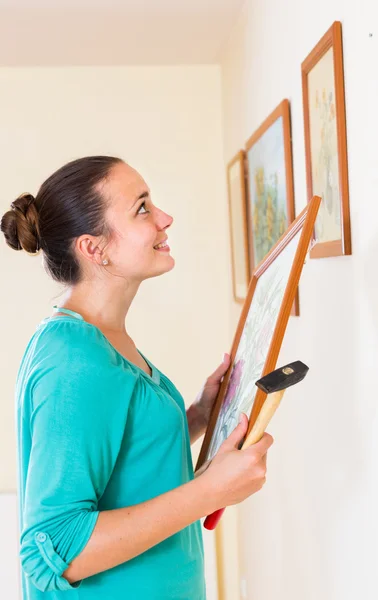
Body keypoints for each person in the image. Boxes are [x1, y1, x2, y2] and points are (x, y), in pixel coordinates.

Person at [1, 156, 273, 600]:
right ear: (94, 248)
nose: (165, 218)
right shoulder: (72, 360)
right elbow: (54, 548)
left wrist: (199, 417)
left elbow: (121, 459)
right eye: (143, 207)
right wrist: (209, 490)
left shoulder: (101, 338)